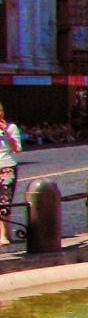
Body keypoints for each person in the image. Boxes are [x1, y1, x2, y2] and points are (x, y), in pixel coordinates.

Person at [0, 104, 19, 244]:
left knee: (5, 201)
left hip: (7, 167)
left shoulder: (11, 128)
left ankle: (4, 235)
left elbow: (17, 149)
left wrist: (6, 134)